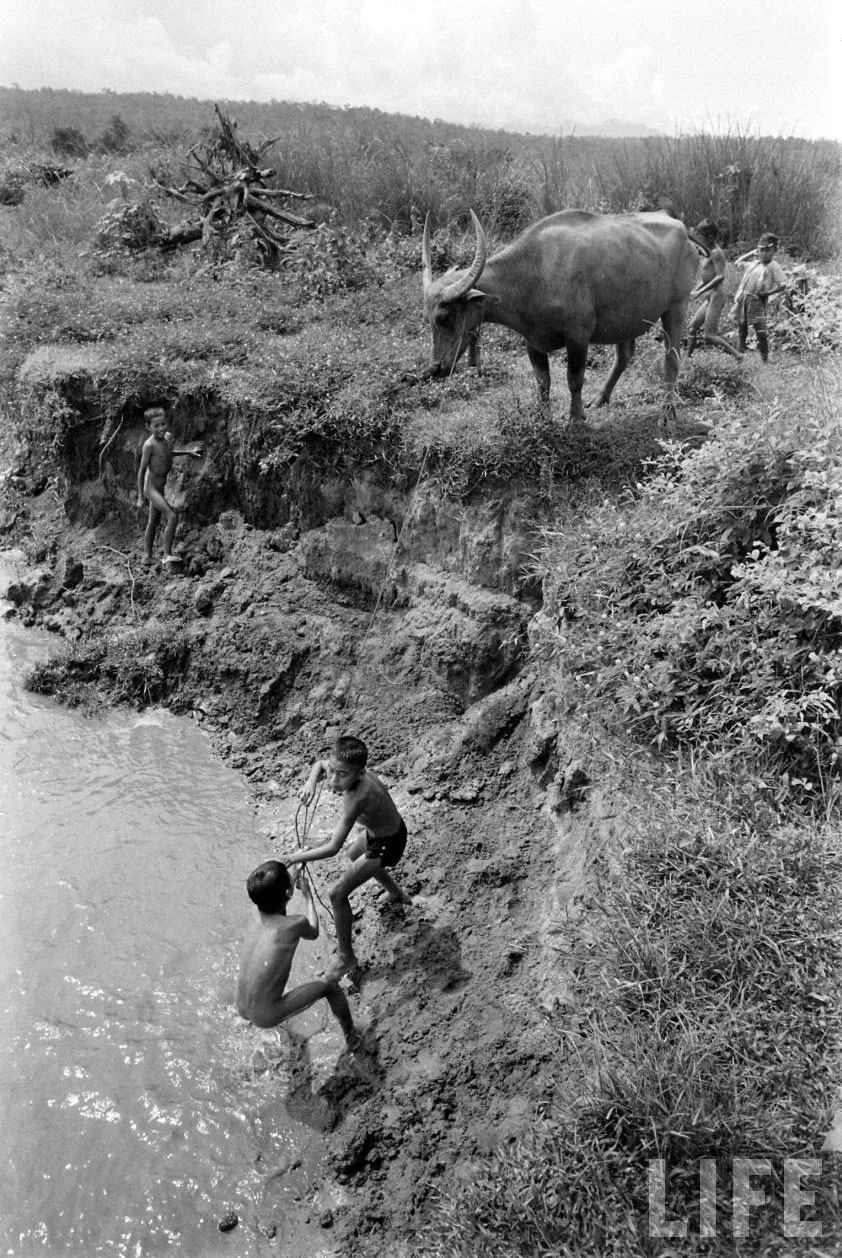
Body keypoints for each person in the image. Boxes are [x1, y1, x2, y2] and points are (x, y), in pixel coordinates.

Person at [286, 735, 412, 978]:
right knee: (355, 853)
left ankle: (346, 957)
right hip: (380, 832)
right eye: (332, 771)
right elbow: (320, 764)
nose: (332, 779)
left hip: (389, 842)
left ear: (361, 773)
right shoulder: (341, 770)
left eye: (342, 775)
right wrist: (311, 782)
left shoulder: (358, 797)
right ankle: (397, 894)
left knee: (336, 894)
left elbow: (333, 846)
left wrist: (296, 857)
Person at [236, 859, 358, 1045]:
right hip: (266, 1016)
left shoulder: (255, 915)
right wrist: (308, 896)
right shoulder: (295, 924)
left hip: (241, 1007)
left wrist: (293, 876)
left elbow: (276, 897)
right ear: (288, 893)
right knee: (330, 986)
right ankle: (353, 1038)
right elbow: (313, 932)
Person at [136, 406, 203, 567]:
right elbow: (141, 470)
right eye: (156, 426)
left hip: (160, 487)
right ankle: (166, 554)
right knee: (172, 516)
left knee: (153, 521)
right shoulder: (149, 445)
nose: (160, 428)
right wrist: (140, 496)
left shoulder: (167, 438)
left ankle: (147, 556)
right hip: (150, 488)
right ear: (148, 427)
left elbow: (168, 454)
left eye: (163, 424)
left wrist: (189, 452)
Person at [686, 219, 743, 360]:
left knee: (709, 335)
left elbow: (720, 277)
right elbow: (705, 278)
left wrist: (699, 292)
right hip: (710, 296)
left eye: (701, 239)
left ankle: (738, 356)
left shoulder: (717, 253)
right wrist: (694, 290)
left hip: (717, 295)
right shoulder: (707, 252)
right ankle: (688, 359)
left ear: (710, 237)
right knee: (692, 328)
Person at [732, 233, 788, 362]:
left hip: (757, 301)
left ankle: (764, 360)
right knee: (742, 331)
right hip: (744, 300)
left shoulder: (773, 266)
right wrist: (752, 253)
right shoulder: (754, 264)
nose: (764, 254)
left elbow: (783, 284)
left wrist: (767, 293)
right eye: (761, 250)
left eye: (767, 250)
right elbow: (737, 263)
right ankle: (739, 358)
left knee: (761, 333)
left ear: (774, 250)